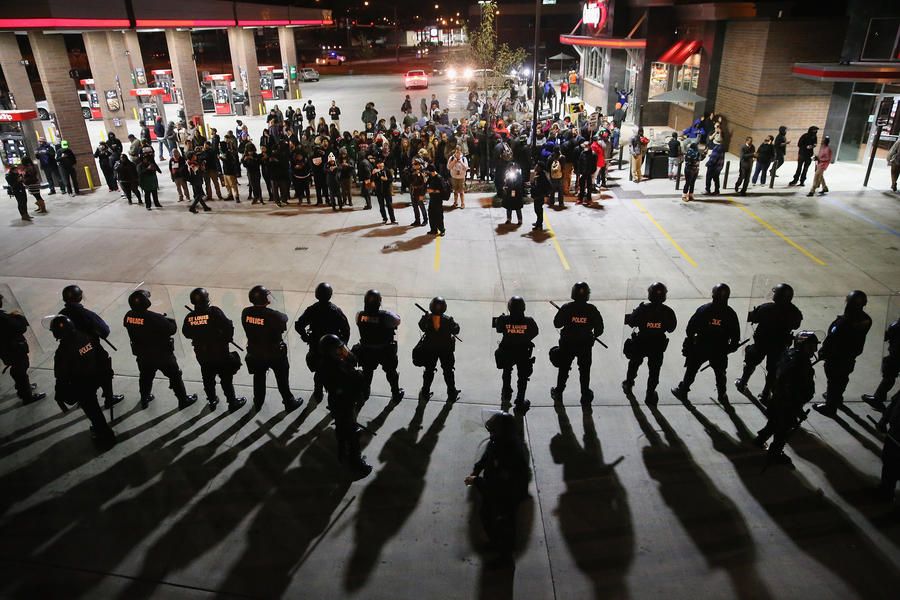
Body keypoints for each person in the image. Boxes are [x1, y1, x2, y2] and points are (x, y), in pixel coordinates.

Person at [464, 411, 530, 555]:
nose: (491, 432)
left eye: (493, 430)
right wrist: (477, 469)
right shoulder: (498, 442)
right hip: (499, 490)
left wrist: (476, 481)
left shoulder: (509, 453)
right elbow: (487, 456)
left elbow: (496, 487)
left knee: (499, 521)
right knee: (487, 514)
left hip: (506, 497)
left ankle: (502, 553)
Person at [752, 331, 819, 466]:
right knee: (782, 432)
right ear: (801, 346)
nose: (813, 351)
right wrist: (797, 407)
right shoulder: (801, 364)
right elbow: (795, 389)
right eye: (810, 347)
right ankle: (775, 453)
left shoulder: (788, 355)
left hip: (777, 400)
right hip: (788, 404)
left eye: (814, 347)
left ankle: (760, 439)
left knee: (773, 423)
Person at [123, 289, 198, 410]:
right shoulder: (154, 318)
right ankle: (183, 400)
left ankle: (144, 398)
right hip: (162, 355)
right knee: (175, 375)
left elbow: (138, 324)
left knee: (145, 377)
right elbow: (172, 329)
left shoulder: (128, 316)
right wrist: (166, 319)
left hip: (143, 355)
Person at [48, 315, 115, 449]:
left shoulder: (62, 352)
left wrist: (60, 393)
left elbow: (61, 376)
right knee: (95, 409)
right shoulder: (86, 337)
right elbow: (101, 354)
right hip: (97, 375)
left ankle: (106, 437)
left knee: (93, 412)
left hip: (82, 384)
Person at [671, 283, 741, 404]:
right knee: (720, 373)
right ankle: (722, 395)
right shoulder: (730, 314)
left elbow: (690, 329)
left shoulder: (704, 310)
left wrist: (691, 341)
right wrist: (729, 348)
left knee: (691, 370)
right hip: (720, 349)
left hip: (701, 347)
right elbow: (736, 337)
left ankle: (683, 391)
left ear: (713, 295)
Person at [735, 283, 803, 404]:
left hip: (762, 343)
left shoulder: (767, 308)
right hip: (779, 346)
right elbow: (796, 325)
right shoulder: (794, 312)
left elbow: (752, 317)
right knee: (773, 370)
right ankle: (766, 393)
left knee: (751, 362)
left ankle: (743, 382)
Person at [60, 284, 124, 410]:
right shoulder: (86, 314)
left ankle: (85, 399)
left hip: (72, 353)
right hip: (92, 349)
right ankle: (109, 398)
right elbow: (105, 331)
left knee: (82, 377)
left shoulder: (61, 315)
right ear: (79, 297)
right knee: (105, 373)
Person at [182, 287, 247, 412]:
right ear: (206, 299)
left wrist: (200, 334)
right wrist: (225, 338)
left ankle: (212, 399)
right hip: (220, 353)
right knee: (226, 378)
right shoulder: (214, 312)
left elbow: (186, 333)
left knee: (207, 378)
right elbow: (228, 326)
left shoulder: (190, 317)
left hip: (202, 354)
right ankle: (232, 402)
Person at [317, 334, 373, 479]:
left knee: (342, 430)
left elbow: (351, 359)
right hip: (344, 403)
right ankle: (356, 463)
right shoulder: (338, 369)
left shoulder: (326, 364)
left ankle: (342, 453)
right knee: (352, 433)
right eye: (339, 350)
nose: (343, 351)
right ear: (332, 353)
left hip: (337, 401)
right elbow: (355, 381)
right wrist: (358, 375)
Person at [241, 285, 302, 413]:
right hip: (275, 354)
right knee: (282, 379)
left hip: (256, 353)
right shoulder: (273, 316)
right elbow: (284, 319)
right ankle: (289, 401)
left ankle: (258, 401)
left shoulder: (246, 313)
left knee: (258, 377)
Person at [813, 290, 872, 418]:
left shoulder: (843, 323)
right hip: (850, 355)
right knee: (842, 378)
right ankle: (837, 398)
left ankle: (830, 407)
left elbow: (831, 339)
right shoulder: (867, 320)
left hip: (836, 357)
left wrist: (824, 352)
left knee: (833, 380)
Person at [622, 282, 678, 406]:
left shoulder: (642, 309)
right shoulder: (668, 312)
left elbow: (631, 322)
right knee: (654, 370)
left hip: (641, 342)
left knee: (634, 364)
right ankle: (650, 394)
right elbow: (671, 328)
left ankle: (629, 383)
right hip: (657, 345)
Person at [550, 282, 604, 406]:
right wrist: (591, 334)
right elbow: (599, 329)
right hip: (585, 345)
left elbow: (557, 324)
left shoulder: (567, 308)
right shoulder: (592, 310)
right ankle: (585, 394)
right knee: (584, 370)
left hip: (567, 344)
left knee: (563, 368)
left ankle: (558, 392)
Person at [295, 282, 351, 401]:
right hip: (333, 348)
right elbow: (346, 329)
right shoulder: (336, 311)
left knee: (319, 371)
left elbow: (299, 325)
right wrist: (342, 346)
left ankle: (318, 392)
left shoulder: (312, 310)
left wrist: (306, 337)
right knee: (335, 372)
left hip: (316, 346)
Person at [353, 289, 404, 404]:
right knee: (391, 372)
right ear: (379, 302)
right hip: (385, 351)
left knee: (367, 372)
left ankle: (364, 393)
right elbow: (397, 320)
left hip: (367, 350)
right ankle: (395, 394)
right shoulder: (386, 316)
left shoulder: (359, 315)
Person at [0, 291, 46, 404]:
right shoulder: (3, 318)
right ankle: (27, 396)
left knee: (17, 369)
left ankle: (23, 389)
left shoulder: (3, 317)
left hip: (5, 349)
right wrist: (18, 316)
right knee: (20, 368)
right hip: (13, 348)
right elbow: (21, 327)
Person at [493, 296, 539, 411]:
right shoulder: (529, 321)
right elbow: (535, 332)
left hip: (507, 350)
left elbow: (498, 329)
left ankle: (506, 393)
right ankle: (520, 399)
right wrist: (524, 338)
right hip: (523, 352)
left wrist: (501, 320)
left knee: (507, 372)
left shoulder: (504, 320)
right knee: (522, 377)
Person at [414, 296, 460, 402]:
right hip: (446, 350)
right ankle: (451, 392)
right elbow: (456, 330)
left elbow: (421, 326)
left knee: (429, 371)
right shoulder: (448, 320)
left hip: (430, 349)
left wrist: (426, 318)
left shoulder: (427, 318)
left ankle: (425, 392)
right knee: (448, 371)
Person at [862, 317, 900, 412]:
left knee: (889, 374)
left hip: (897, 354)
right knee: (890, 373)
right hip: (895, 352)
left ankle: (878, 399)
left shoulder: (897, 326)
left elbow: (891, 332)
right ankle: (879, 397)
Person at [372, 158, 397, 224]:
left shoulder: (387, 170)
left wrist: (386, 179)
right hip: (379, 191)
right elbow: (373, 179)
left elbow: (391, 179)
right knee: (381, 206)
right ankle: (384, 218)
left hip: (387, 191)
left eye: (382, 165)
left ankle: (393, 219)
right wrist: (374, 175)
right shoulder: (375, 171)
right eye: (379, 165)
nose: (381, 166)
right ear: (377, 165)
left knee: (389, 205)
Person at [426, 165, 447, 236]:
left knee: (438, 215)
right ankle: (433, 229)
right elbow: (426, 184)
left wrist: (433, 191)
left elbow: (443, 190)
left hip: (438, 199)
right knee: (431, 214)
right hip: (432, 199)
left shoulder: (439, 178)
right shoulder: (431, 177)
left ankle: (442, 230)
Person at [530, 161, 551, 231]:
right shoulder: (539, 174)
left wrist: (531, 185)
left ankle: (539, 225)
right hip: (538, 195)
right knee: (537, 210)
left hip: (539, 196)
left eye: (537, 166)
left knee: (538, 210)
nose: (535, 167)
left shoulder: (541, 176)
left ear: (540, 168)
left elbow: (539, 187)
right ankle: (538, 222)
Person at [409, 159, 429, 227]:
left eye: (415, 164)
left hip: (420, 191)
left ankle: (425, 220)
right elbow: (409, 180)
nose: (413, 166)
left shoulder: (423, 172)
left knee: (421, 206)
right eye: (413, 164)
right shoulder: (412, 171)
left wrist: (422, 194)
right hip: (413, 190)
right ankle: (417, 220)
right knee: (415, 207)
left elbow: (424, 184)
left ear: (419, 165)